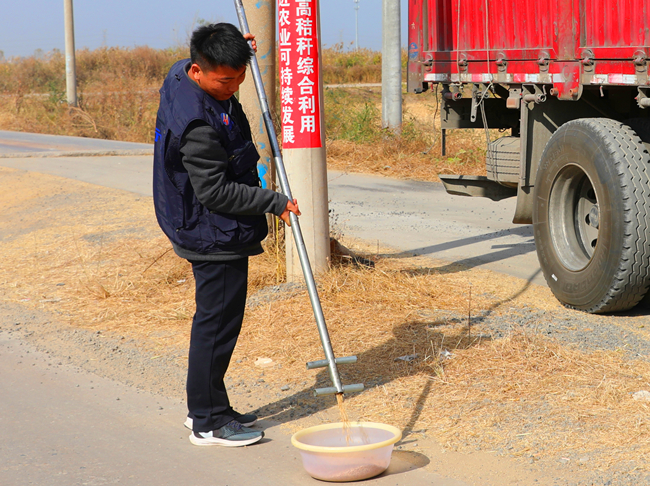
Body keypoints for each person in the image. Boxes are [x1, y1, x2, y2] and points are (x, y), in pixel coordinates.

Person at [152, 22, 300, 447]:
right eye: (224, 80)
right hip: (210, 231)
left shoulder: (180, 75)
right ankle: (208, 422)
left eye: (239, 77)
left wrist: (234, 45)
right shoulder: (198, 123)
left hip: (204, 223)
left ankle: (208, 405)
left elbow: (197, 59)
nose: (232, 87)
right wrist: (273, 202)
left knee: (217, 322)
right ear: (199, 71)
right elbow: (215, 191)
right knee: (216, 326)